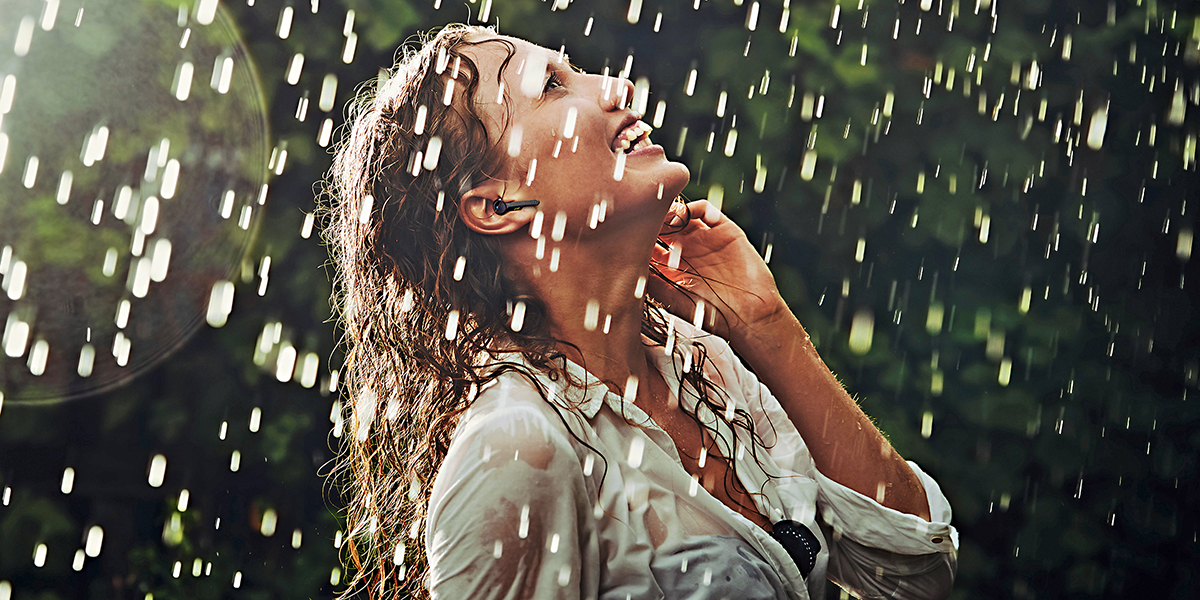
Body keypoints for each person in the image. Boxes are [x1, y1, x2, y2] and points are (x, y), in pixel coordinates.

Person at [324, 24, 957, 600]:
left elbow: (916, 578)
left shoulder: (703, 370)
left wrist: (765, 326)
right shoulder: (517, 448)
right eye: (551, 86)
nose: (616, 86)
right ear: (498, 205)